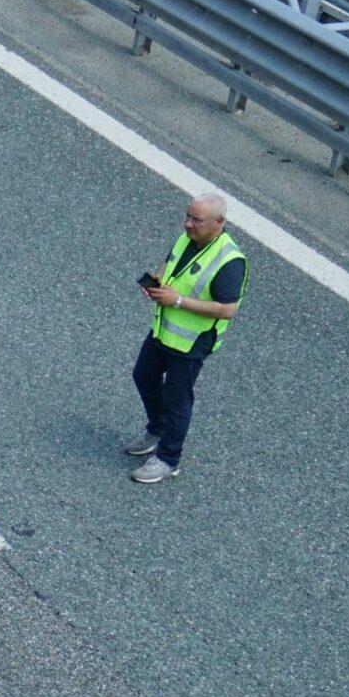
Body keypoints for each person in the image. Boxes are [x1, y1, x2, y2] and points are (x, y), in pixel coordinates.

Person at [129, 190, 246, 484]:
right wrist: (156, 284)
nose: (188, 224)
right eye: (188, 216)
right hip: (163, 329)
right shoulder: (187, 239)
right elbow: (168, 264)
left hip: (192, 341)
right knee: (143, 375)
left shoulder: (230, 261)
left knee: (177, 397)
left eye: (197, 220)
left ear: (219, 222)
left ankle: (169, 459)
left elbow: (226, 309)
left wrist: (177, 301)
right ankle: (157, 430)